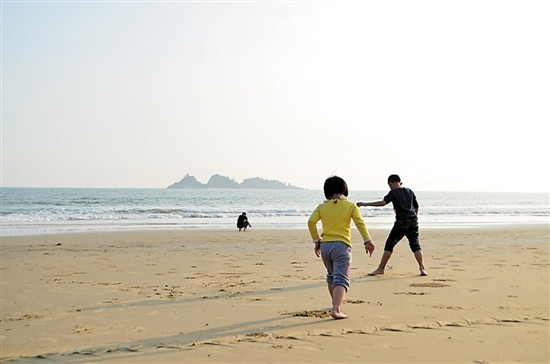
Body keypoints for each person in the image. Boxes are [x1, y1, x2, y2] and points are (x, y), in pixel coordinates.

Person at [308, 176, 375, 320]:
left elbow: (311, 222)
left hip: (325, 245)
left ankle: (334, 303)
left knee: (331, 275)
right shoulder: (350, 205)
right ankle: (336, 309)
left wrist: (316, 241)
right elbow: (360, 223)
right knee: (341, 278)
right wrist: (367, 240)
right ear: (344, 189)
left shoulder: (322, 207)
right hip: (342, 245)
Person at [357, 174, 427, 276]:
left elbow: (383, 202)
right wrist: (414, 217)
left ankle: (381, 268)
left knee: (390, 244)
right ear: (400, 182)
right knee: (415, 245)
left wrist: (365, 204)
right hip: (413, 220)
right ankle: (422, 268)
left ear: (391, 184)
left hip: (401, 222)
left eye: (389, 185)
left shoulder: (393, 192)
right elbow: (416, 207)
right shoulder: (409, 191)